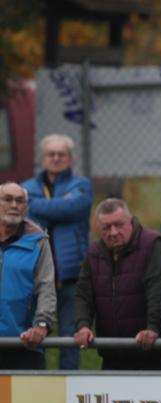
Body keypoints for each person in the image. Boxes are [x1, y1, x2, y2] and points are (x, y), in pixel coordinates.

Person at [21, 134, 93, 370]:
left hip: (70, 274)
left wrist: (35, 205)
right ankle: (33, 378)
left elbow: (74, 208)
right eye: (51, 154)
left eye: (61, 154)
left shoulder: (81, 185)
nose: (56, 158)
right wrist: (60, 205)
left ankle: (69, 384)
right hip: (35, 274)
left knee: (71, 337)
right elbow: (25, 213)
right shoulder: (26, 187)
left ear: (70, 159)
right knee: (33, 332)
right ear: (43, 159)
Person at [72, 198, 161, 370]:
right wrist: (83, 326)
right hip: (111, 353)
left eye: (119, 224)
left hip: (150, 352)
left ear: (130, 222)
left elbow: (158, 290)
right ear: (98, 229)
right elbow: (83, 294)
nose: (113, 232)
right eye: (106, 227)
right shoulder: (93, 252)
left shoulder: (152, 245)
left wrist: (153, 328)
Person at [0, 182, 56, 369]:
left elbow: (46, 287)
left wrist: (41, 325)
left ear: (26, 207)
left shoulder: (38, 242)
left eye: (20, 201)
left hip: (24, 344)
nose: (14, 205)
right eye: (7, 199)